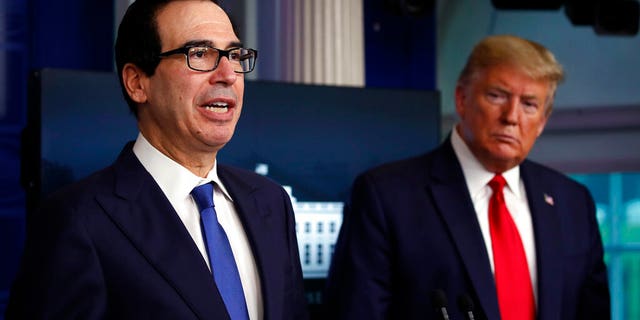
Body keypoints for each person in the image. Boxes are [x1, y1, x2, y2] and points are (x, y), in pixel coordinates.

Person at [6, 0, 308, 319]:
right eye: (200, 54)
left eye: (234, 56)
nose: (228, 75)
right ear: (137, 82)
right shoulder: (76, 220)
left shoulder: (271, 201)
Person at [325, 35, 610, 320]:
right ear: (462, 99)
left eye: (529, 104)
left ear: (543, 122)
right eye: (497, 96)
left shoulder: (573, 202)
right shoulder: (387, 196)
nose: (512, 116)